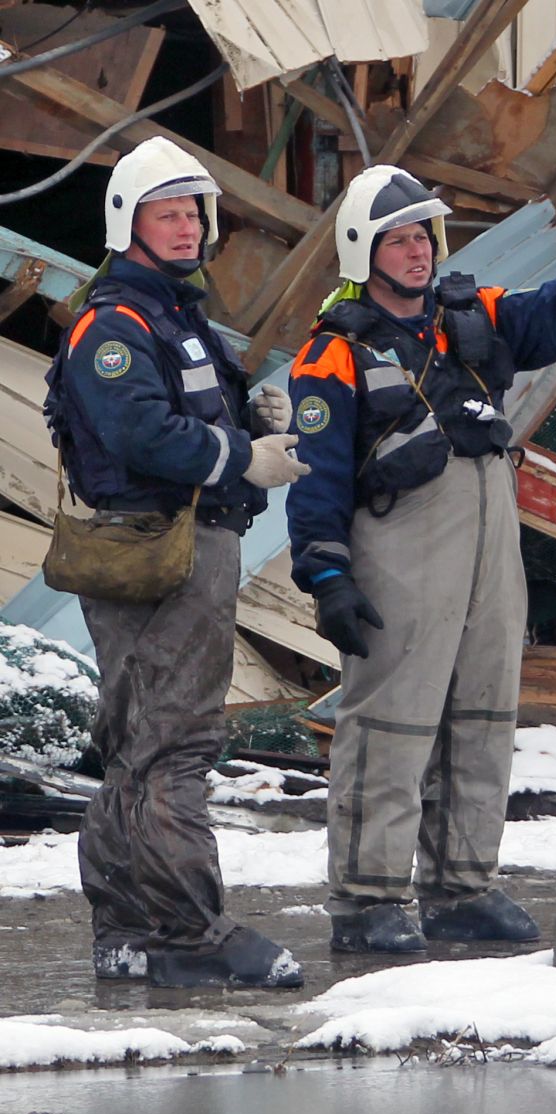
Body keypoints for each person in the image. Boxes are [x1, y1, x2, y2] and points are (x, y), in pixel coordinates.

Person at [286, 165, 556, 953]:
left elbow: (554, 315)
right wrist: (327, 577)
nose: (417, 252)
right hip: (401, 551)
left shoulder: (477, 318)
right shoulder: (331, 357)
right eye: (398, 240)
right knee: (391, 723)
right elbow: (314, 479)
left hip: (487, 543)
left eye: (423, 237)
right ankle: (367, 900)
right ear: (365, 250)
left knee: (484, 713)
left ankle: (463, 887)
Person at [44, 137, 310, 988]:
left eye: (195, 210)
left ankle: (127, 930)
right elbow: (141, 433)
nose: (189, 225)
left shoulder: (174, 316)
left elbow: (183, 408)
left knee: (140, 743)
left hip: (190, 546)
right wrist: (243, 457)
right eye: (169, 212)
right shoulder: (113, 325)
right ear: (129, 221)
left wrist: (247, 408)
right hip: (159, 553)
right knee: (175, 743)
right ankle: (191, 932)